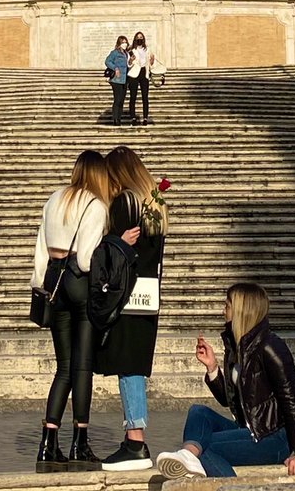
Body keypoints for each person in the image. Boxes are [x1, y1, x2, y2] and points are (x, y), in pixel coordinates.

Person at [32, 151, 139, 473]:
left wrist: (40, 283)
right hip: (79, 283)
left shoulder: (54, 198)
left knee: (62, 367)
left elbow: (40, 246)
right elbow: (85, 259)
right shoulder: (94, 205)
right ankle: (80, 440)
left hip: (52, 281)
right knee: (82, 367)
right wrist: (118, 243)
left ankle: (48, 442)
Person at [155, 283, 295, 479]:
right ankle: (188, 456)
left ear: (240, 310)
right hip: (249, 430)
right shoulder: (237, 346)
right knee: (198, 413)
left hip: (274, 437)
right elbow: (230, 400)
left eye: (227, 306)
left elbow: (293, 399)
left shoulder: (271, 347)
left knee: (208, 447)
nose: (223, 311)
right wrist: (212, 368)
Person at [99, 147, 168, 472]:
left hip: (127, 295)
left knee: (128, 368)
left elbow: (122, 248)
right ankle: (134, 438)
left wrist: (110, 241)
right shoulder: (153, 203)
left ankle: (135, 441)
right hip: (146, 295)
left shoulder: (125, 202)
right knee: (134, 367)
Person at [127, 32, 155, 127]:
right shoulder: (131, 50)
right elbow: (128, 64)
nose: (139, 39)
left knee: (145, 97)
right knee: (133, 96)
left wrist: (152, 61)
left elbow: (150, 62)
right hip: (134, 73)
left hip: (144, 72)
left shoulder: (147, 49)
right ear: (135, 39)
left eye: (141, 37)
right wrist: (130, 60)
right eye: (138, 37)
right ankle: (133, 117)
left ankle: (145, 117)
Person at [104, 36, 130, 126]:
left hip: (124, 79)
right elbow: (107, 61)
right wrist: (115, 68)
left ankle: (119, 118)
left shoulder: (126, 53)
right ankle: (115, 118)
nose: (125, 44)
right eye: (123, 42)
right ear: (119, 43)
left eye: (126, 42)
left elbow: (128, 65)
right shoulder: (115, 53)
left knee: (122, 100)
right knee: (117, 99)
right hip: (116, 79)